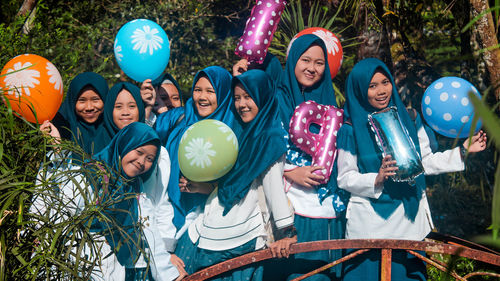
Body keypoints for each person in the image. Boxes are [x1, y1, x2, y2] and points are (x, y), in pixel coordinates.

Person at [337, 58, 487, 281]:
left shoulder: (411, 119)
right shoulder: (349, 130)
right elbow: (344, 178)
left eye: (385, 82)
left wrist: (462, 152)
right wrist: (376, 179)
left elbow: (424, 161)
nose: (381, 91)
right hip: (369, 225)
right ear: (359, 89)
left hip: (410, 221)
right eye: (372, 86)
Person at [179, 70, 296, 280]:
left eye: (248, 96)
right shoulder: (240, 132)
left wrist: (286, 232)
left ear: (264, 96)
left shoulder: (268, 138)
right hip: (223, 228)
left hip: (236, 231)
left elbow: (273, 188)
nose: (241, 104)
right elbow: (229, 183)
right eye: (237, 98)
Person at [34, 122, 161, 280]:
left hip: (111, 266)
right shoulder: (94, 176)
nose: (142, 161)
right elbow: (62, 213)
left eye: (150, 159)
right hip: (78, 262)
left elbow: (147, 229)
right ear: (124, 144)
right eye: (139, 151)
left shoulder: (132, 187)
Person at [275, 34, 345, 280]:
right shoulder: (275, 100)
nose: (312, 68)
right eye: (306, 60)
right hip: (290, 211)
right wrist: (289, 171)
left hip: (328, 210)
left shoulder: (330, 103)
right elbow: (260, 150)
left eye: (319, 63)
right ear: (293, 59)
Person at [154, 66, 235, 270]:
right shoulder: (177, 118)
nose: (202, 97)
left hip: (212, 223)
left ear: (224, 93)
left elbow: (242, 182)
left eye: (210, 91)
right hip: (169, 216)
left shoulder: (234, 129)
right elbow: (147, 137)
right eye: (198, 90)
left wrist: (208, 188)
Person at [51, 72, 112, 155]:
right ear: (72, 102)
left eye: (95, 99)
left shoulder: (114, 131)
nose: (89, 107)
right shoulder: (60, 130)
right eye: (82, 100)